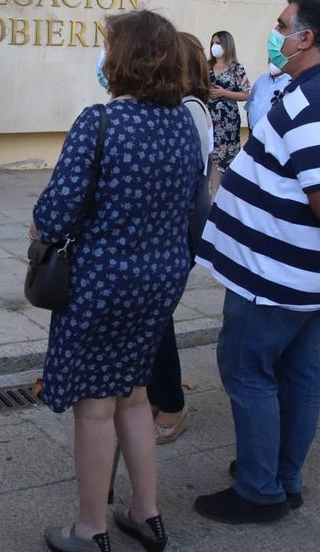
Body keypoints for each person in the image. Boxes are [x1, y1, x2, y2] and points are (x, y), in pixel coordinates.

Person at [194, 0, 320, 525]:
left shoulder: (319, 97)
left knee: (248, 370)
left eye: (282, 26)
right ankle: (283, 477)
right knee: (298, 373)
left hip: (276, 274)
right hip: (301, 274)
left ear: (305, 38)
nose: (276, 35)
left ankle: (260, 490)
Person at [34, 11, 202, 552]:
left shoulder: (99, 122)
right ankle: (146, 514)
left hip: (103, 282)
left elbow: (55, 215)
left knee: (96, 406)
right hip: (162, 277)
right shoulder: (183, 123)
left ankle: (90, 530)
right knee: (135, 394)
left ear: (123, 58)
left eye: (108, 47)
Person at [147, 32, 213, 447]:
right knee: (154, 317)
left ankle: (172, 406)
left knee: (157, 320)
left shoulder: (188, 111)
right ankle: (159, 398)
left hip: (178, 227)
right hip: (178, 224)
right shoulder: (189, 108)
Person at [207, 30, 250, 197]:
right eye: (212, 43)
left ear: (226, 44)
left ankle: (221, 195)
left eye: (218, 43)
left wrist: (224, 93)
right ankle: (210, 194)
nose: (214, 47)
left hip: (227, 121)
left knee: (223, 158)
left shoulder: (236, 69)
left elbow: (246, 94)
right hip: (208, 117)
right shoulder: (206, 65)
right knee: (210, 154)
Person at [245, 59, 291, 132]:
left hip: (274, 134)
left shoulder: (290, 82)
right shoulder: (261, 79)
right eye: (270, 60)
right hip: (253, 131)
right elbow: (250, 105)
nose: (272, 63)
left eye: (275, 59)